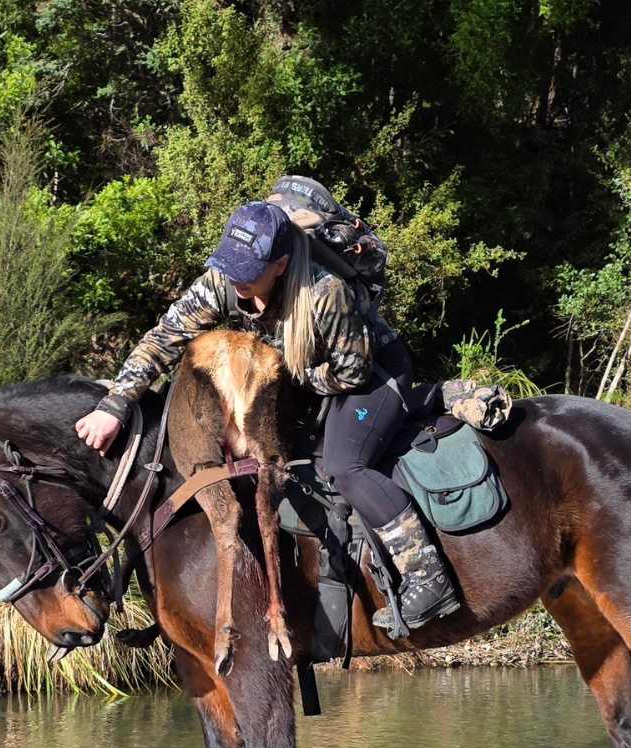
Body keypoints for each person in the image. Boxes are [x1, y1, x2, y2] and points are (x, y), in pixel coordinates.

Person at [75, 198, 463, 634]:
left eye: (248, 269)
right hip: (299, 377)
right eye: (229, 265)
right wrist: (115, 405)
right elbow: (164, 337)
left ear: (280, 265)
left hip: (368, 375)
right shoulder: (223, 282)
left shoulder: (324, 291)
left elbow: (350, 372)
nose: (235, 277)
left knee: (344, 465)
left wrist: (284, 375)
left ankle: (427, 575)